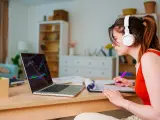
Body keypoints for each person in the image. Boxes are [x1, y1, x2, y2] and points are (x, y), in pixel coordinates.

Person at [74, 15, 160, 120]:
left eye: (115, 39)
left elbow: (157, 115)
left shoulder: (148, 59)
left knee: (82, 118)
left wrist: (123, 102)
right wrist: (132, 83)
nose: (113, 44)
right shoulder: (144, 59)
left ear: (129, 38)